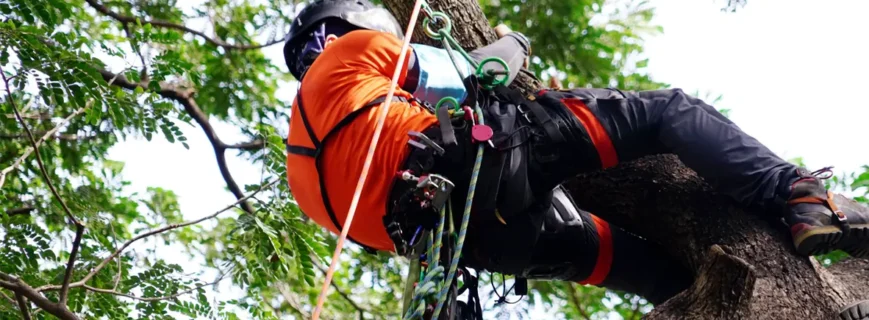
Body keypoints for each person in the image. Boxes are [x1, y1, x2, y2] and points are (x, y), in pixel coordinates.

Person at [282, 0, 869, 306]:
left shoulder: (301, 183)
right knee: (668, 112)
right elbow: (471, 74)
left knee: (658, 275)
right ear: (354, 24)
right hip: (498, 159)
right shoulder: (350, 54)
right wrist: (507, 49)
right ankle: (802, 199)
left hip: (491, 244)